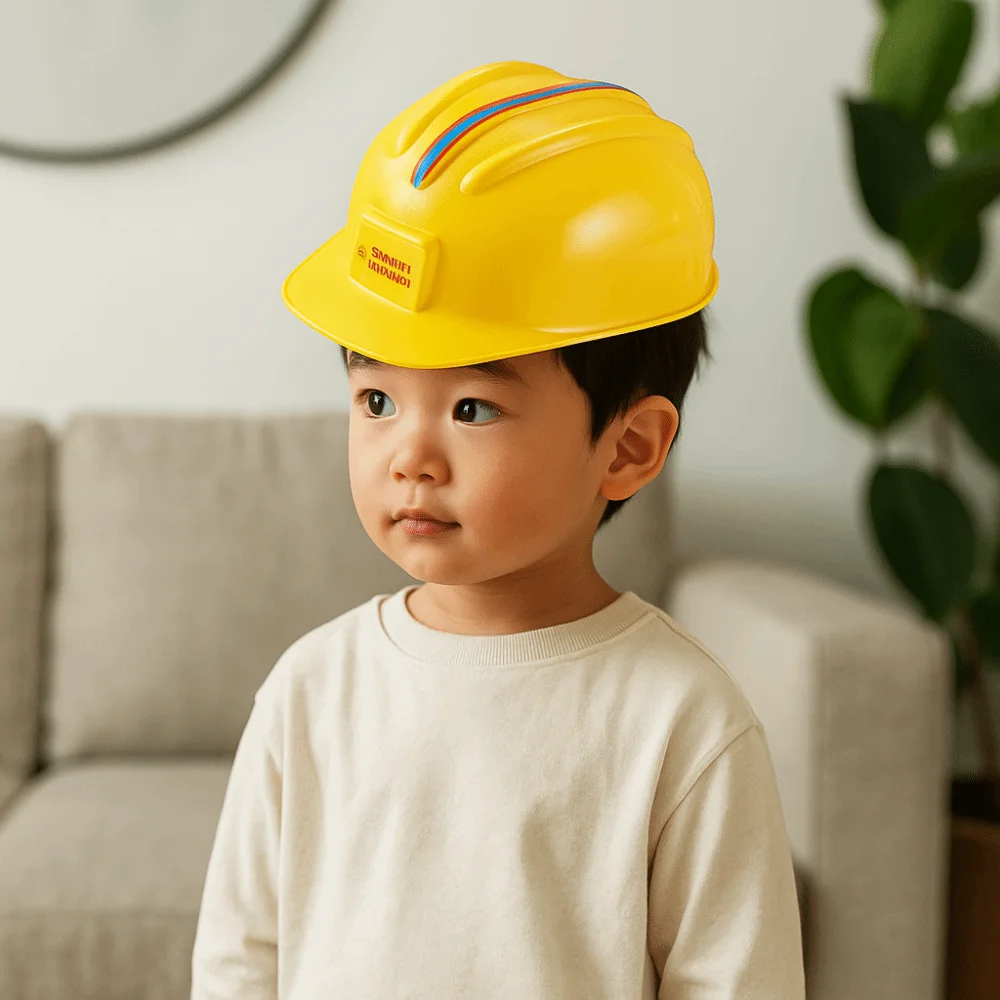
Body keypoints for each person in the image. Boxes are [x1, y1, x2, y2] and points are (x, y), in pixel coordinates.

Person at [190, 59, 806, 1000]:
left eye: (473, 408)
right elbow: (241, 961)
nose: (410, 455)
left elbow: (738, 980)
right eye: (378, 398)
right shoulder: (312, 691)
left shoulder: (681, 720)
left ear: (629, 447)